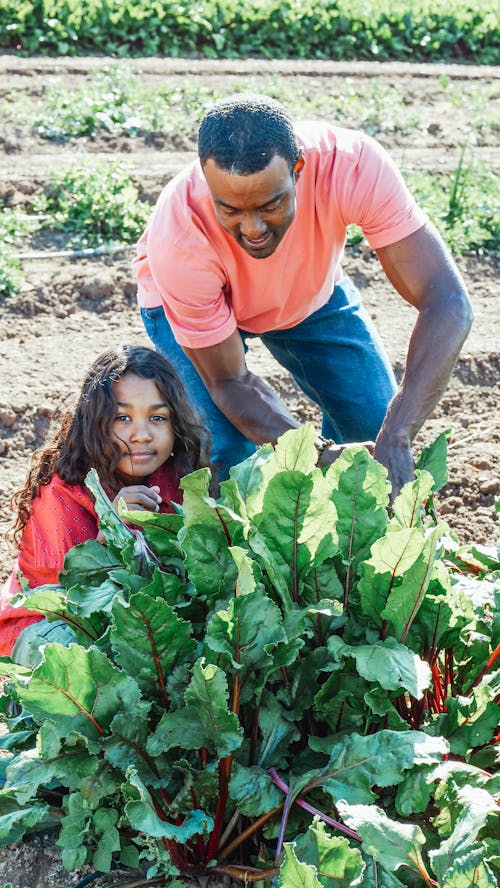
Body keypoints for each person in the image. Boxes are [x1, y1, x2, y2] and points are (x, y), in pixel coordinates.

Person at [134, 93, 473, 493]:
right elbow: (229, 381)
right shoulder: (179, 234)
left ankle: (345, 541)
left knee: (371, 424)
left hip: (305, 289)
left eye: (270, 204)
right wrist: (317, 453)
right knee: (227, 458)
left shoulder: (351, 166)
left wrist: (397, 431)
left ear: (298, 170)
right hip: (195, 305)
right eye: (231, 210)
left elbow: (447, 301)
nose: (254, 228)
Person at [0, 344, 209, 661]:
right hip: (52, 622)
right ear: (94, 423)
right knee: (71, 655)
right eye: (122, 417)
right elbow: (71, 595)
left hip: (136, 619)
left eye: (157, 417)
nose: (141, 434)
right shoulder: (62, 493)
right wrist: (113, 527)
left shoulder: (176, 479)